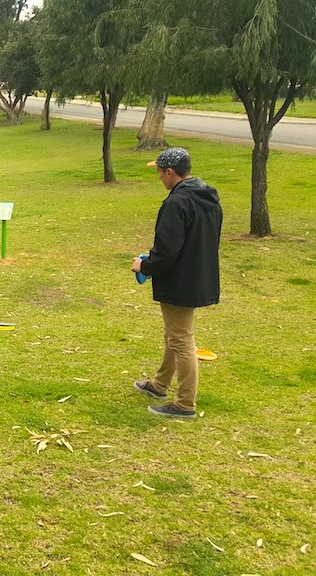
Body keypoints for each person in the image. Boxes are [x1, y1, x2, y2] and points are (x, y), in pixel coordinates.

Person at [132, 147, 222, 419]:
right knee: (174, 334)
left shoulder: (176, 203)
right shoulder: (207, 198)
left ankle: (184, 404)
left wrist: (144, 265)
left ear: (170, 172)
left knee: (182, 340)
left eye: (160, 172)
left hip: (181, 281)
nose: (159, 177)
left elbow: (167, 252)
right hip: (197, 276)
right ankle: (159, 384)